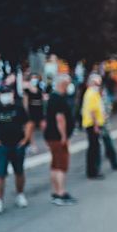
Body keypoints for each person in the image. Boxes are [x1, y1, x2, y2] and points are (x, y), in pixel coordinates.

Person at [0, 86, 33, 214]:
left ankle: (20, 194)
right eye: (3, 93)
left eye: (8, 93)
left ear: (12, 94)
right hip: (1, 145)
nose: (6, 95)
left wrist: (25, 139)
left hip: (17, 144)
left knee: (19, 171)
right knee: (0, 174)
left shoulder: (18, 107)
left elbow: (28, 123)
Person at [44, 75, 77, 206]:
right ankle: (60, 193)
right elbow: (60, 119)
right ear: (62, 84)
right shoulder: (59, 99)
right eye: (67, 84)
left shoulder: (53, 97)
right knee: (61, 165)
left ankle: (55, 191)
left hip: (51, 136)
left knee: (54, 164)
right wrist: (64, 136)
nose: (69, 86)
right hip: (58, 137)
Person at [81, 74, 105, 179]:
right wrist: (96, 125)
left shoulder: (92, 93)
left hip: (93, 124)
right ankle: (92, 172)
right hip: (92, 125)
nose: (98, 85)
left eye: (99, 83)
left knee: (94, 148)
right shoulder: (92, 93)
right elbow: (92, 111)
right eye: (96, 83)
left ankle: (93, 171)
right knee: (94, 149)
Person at [23, 73, 45, 153]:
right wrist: (26, 112)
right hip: (31, 109)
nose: (34, 79)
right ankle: (32, 145)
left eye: (36, 78)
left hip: (39, 109)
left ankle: (48, 143)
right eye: (32, 78)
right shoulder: (27, 90)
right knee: (30, 128)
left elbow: (43, 98)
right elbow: (25, 102)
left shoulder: (40, 88)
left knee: (43, 125)